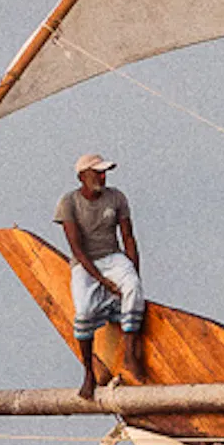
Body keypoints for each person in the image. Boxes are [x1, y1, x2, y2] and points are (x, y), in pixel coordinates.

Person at [57, 155, 148, 396]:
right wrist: (102, 281)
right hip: (85, 261)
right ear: (82, 177)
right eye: (97, 173)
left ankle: (130, 353)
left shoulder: (116, 197)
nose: (102, 177)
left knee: (133, 288)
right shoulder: (70, 202)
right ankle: (88, 372)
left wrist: (133, 273)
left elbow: (128, 237)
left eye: (104, 172)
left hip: (112, 256)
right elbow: (76, 248)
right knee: (84, 310)